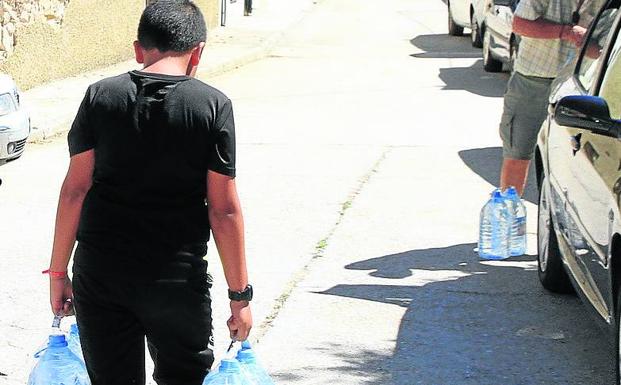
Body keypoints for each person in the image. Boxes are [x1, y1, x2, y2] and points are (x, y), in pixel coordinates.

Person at [45, 1, 253, 384]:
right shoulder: (212, 105)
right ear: (198, 51)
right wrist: (240, 296)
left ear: (139, 49)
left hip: (101, 276)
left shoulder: (99, 97)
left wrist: (58, 273)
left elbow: (75, 191)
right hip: (176, 282)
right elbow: (223, 211)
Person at [499, 0, 605, 195]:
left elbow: (603, 49)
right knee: (517, 155)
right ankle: (509, 215)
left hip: (576, 89)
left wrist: (590, 45)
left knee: (574, 162)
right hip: (531, 82)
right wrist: (568, 32)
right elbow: (519, 24)